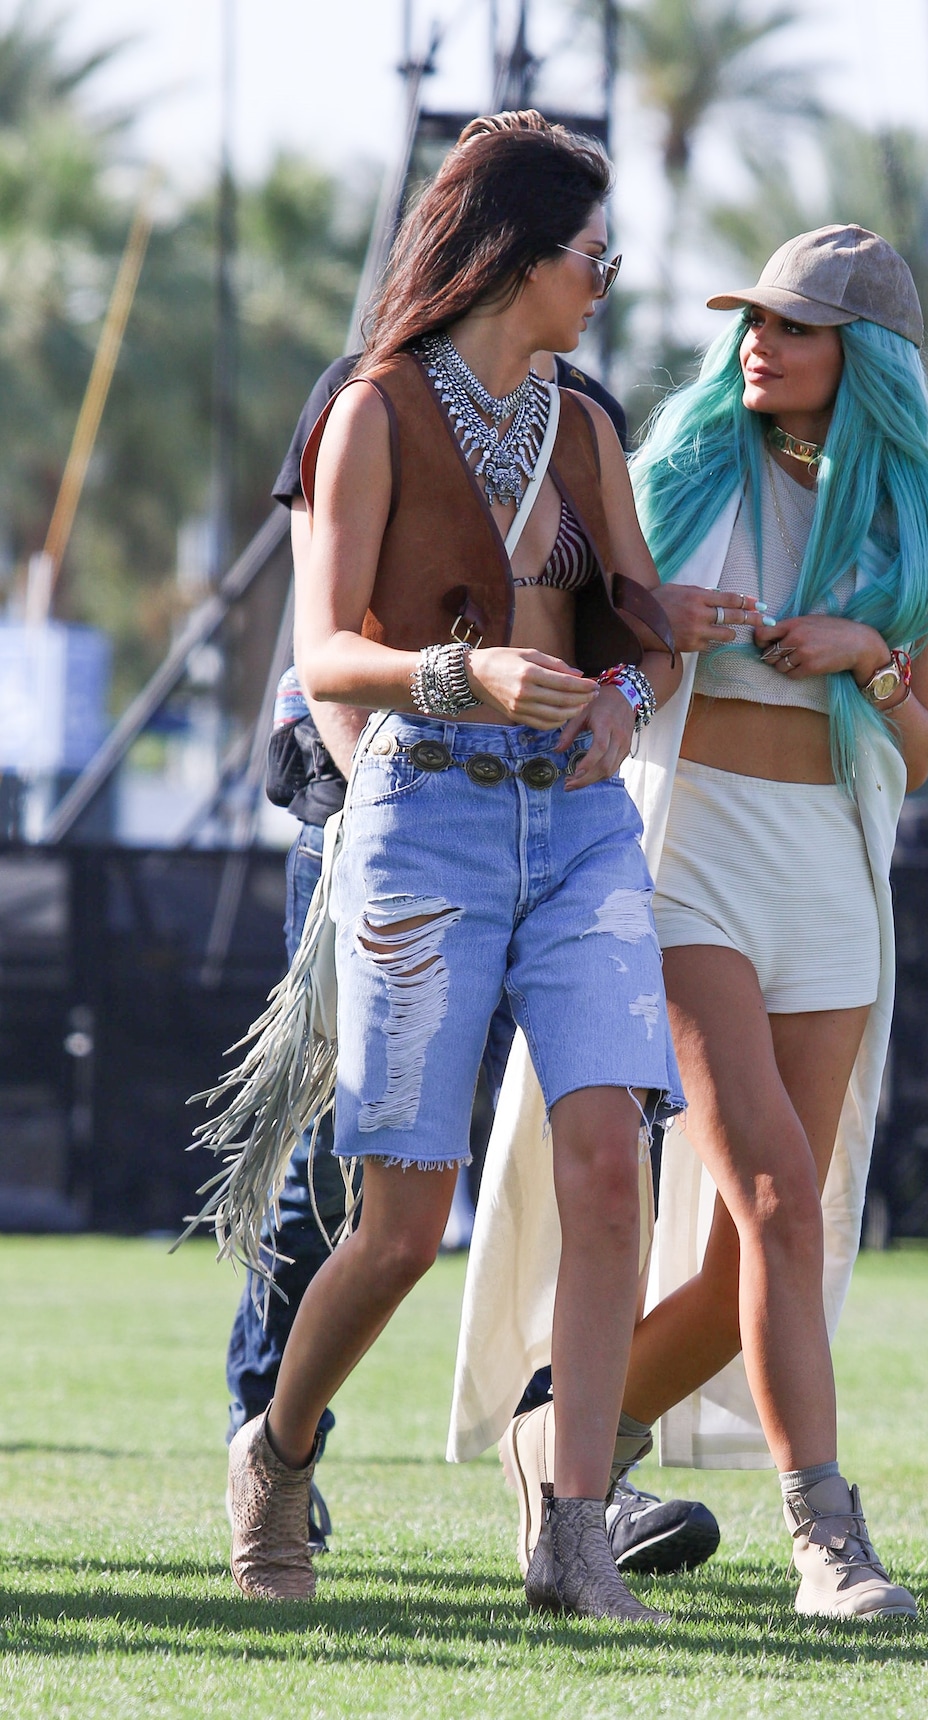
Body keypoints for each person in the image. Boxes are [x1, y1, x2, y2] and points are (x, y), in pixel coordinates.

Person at [454, 224, 928, 1623]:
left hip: (833, 876)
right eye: (754, 319)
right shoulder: (671, 471)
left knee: (759, 1235)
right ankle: (828, 1538)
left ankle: (566, 1439)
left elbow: (923, 754)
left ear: (862, 363)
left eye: (794, 328)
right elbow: (567, 632)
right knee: (784, 1195)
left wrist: (870, 657)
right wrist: (660, 623)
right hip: (690, 859)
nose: (759, 342)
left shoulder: (919, 530)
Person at [225, 115, 688, 1624]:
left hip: (580, 833)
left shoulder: (590, 421)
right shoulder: (369, 409)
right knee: (401, 1228)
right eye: (587, 253)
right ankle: (278, 1453)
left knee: (611, 1159)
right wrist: (469, 679)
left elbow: (630, 633)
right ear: (513, 256)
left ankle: (569, 1529)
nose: (606, 277)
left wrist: (629, 692)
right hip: (421, 812)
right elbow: (323, 652)